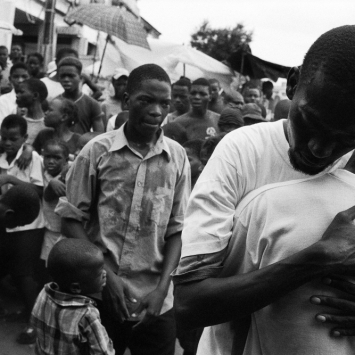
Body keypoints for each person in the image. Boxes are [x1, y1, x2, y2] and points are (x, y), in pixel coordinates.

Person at [173, 25, 355, 355]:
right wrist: (319, 258)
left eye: (344, 140)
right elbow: (189, 304)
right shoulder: (242, 152)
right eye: (310, 122)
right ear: (293, 83)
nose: (318, 148)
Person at [56, 63, 190, 355]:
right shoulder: (97, 152)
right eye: (146, 100)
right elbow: (70, 220)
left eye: (164, 103)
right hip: (99, 296)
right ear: (127, 100)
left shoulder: (177, 158)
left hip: (154, 302)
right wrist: (108, 277)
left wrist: (161, 291)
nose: (156, 111)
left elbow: (176, 231)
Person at [221, 152, 355, 355]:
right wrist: (321, 256)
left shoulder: (268, 203)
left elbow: (216, 317)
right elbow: (208, 308)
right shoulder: (268, 205)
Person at [0, 114, 44, 344]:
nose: (8, 143)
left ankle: (35, 321)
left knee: (23, 273)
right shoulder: (1, 155)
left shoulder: (32, 157)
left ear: (24, 138)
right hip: (6, 223)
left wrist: (9, 178)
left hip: (29, 225)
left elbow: (38, 190)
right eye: (4, 137)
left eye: (13, 139)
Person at [31, 238, 114, 355]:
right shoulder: (87, 314)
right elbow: (103, 351)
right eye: (99, 273)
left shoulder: (44, 293)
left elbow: (35, 322)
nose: (105, 274)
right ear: (76, 288)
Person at [57, 57, 104, 134]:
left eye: (71, 76)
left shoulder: (92, 104)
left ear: (80, 78)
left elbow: (99, 136)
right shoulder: (55, 103)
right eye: (62, 76)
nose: (66, 79)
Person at [40, 139, 69, 264]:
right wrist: (53, 182)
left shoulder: (70, 172)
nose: (51, 161)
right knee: (51, 266)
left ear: (65, 160)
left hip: (67, 232)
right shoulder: (44, 171)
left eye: (57, 158)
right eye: (47, 157)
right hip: (51, 231)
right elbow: (47, 196)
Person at [16, 78, 48, 144]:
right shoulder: (18, 122)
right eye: (17, 92)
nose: (17, 95)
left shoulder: (47, 124)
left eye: (21, 92)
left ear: (35, 95)